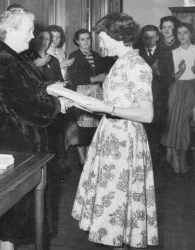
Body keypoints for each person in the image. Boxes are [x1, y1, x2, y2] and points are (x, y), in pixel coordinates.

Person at [0, 9, 64, 250]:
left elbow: (23, 94)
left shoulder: (13, 58)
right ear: (11, 30)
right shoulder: (4, 61)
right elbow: (34, 109)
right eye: (28, 30)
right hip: (11, 152)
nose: (33, 36)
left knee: (8, 224)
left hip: (15, 150)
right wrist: (57, 103)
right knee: (9, 223)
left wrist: (47, 91)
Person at [68, 13, 158, 249]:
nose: (101, 43)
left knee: (118, 207)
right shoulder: (120, 61)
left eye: (103, 38)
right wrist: (71, 98)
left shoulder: (137, 66)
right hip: (109, 134)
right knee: (111, 209)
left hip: (124, 140)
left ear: (117, 36)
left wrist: (108, 108)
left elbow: (146, 114)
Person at [21, 28, 67, 174]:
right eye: (42, 38)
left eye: (48, 39)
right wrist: (35, 66)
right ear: (35, 39)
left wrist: (61, 85)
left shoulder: (53, 59)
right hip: (36, 106)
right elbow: (23, 81)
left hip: (53, 104)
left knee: (56, 138)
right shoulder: (26, 58)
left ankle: (55, 168)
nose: (45, 42)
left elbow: (59, 78)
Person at [68, 29, 107, 168]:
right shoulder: (74, 56)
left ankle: (91, 158)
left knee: (95, 127)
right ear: (77, 42)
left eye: (88, 39)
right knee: (82, 128)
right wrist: (96, 78)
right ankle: (82, 160)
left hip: (96, 94)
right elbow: (74, 79)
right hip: (81, 95)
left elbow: (103, 72)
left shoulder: (96, 55)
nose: (87, 42)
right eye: (83, 39)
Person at [161, 22, 195, 174]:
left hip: (192, 89)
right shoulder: (172, 53)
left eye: (185, 32)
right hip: (176, 88)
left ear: (191, 34)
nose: (182, 36)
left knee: (184, 123)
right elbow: (169, 80)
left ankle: (182, 158)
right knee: (173, 121)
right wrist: (180, 71)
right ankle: (175, 156)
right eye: (179, 33)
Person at [138, 25, 173, 165]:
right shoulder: (137, 53)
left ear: (158, 38)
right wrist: (151, 70)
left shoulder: (165, 52)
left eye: (152, 37)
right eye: (146, 37)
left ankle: (158, 158)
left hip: (159, 99)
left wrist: (156, 72)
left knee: (159, 128)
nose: (149, 40)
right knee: (145, 130)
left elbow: (170, 78)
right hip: (142, 99)